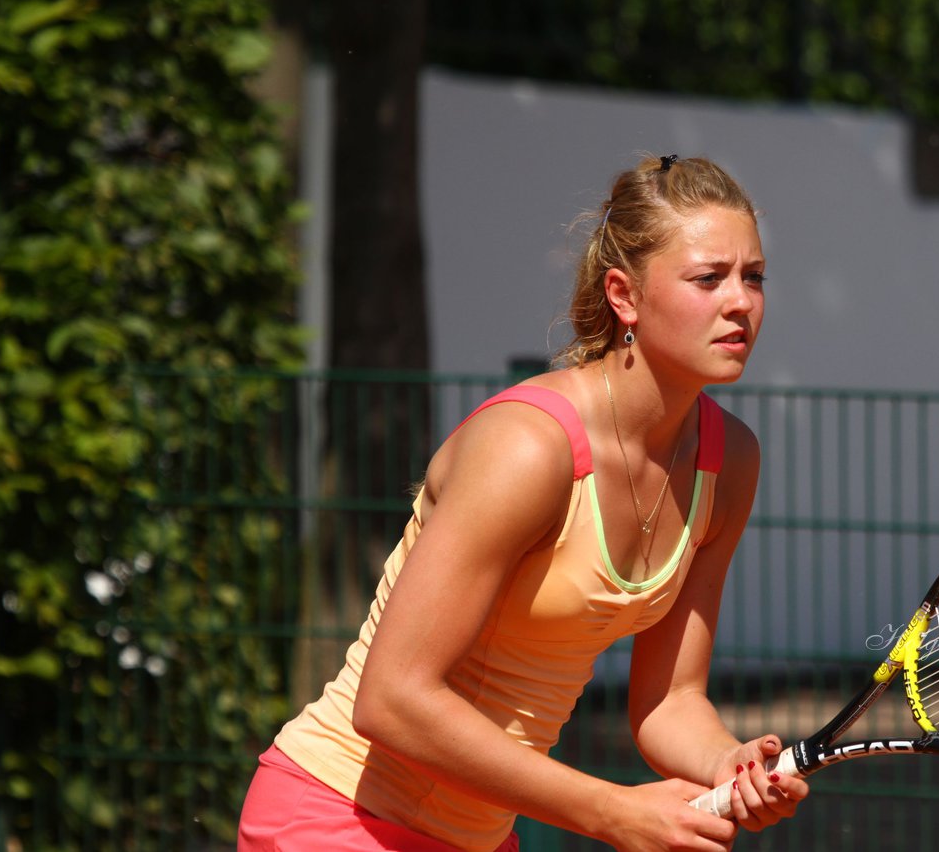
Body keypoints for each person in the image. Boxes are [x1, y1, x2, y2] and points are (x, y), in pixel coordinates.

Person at [237, 154, 808, 851]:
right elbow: (391, 700)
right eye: (708, 278)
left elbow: (670, 702)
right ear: (624, 296)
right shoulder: (528, 449)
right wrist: (609, 811)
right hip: (336, 819)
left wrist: (726, 761)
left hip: (478, 838)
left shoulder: (730, 462)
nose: (740, 302)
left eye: (753, 277)